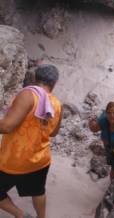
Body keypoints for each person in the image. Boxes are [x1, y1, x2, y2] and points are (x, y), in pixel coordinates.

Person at [0, 64, 62, 218]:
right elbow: (54, 132)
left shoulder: (28, 95)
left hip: (14, 159)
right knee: (38, 191)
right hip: (40, 160)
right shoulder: (56, 103)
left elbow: (7, 127)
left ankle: (20, 215)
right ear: (55, 83)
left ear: (34, 78)